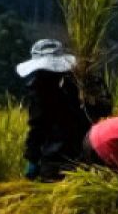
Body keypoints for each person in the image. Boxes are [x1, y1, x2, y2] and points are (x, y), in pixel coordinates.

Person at [17, 39, 112, 181]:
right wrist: (32, 159)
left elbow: (104, 109)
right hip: (55, 161)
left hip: (85, 155)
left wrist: (91, 88)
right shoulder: (39, 88)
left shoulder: (82, 82)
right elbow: (37, 127)